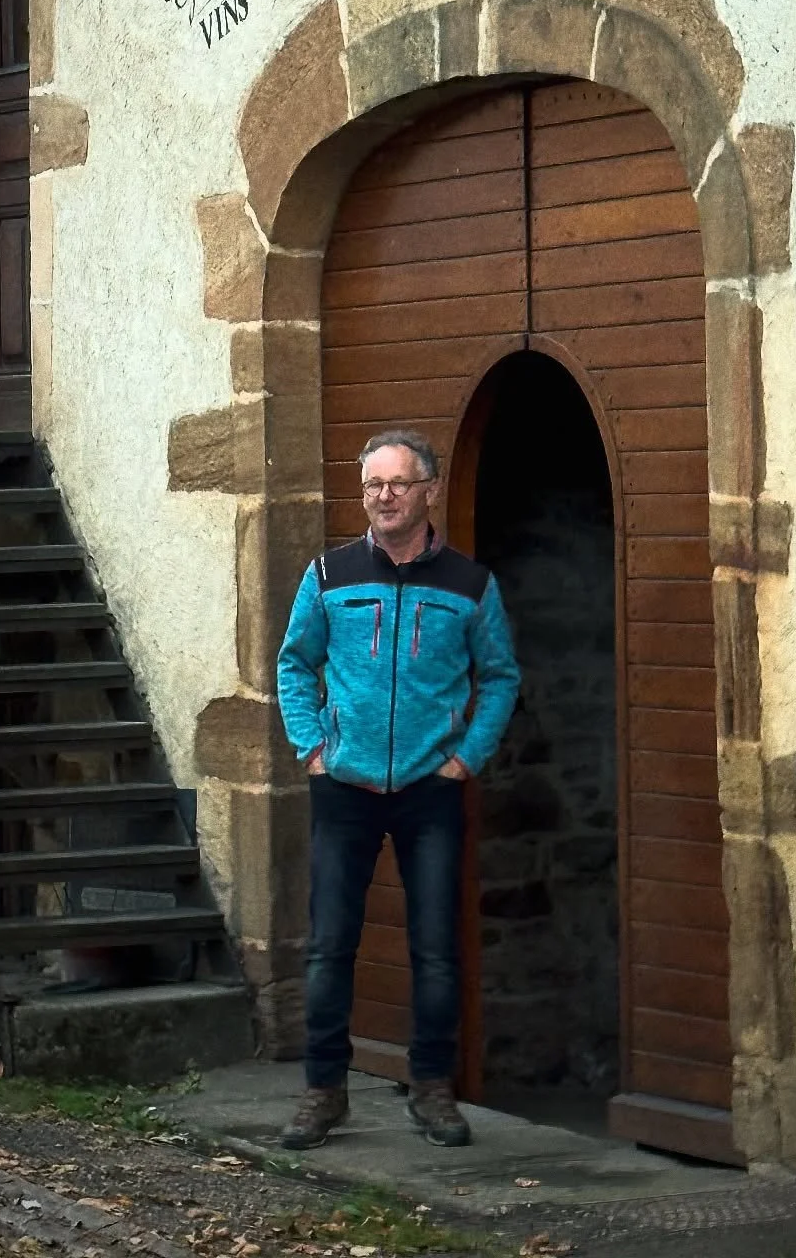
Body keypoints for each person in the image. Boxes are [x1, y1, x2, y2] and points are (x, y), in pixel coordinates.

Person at [276, 427, 520, 1151]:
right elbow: (295, 664)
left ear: (429, 491)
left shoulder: (471, 586)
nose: (384, 497)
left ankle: (433, 1091)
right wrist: (313, 747)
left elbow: (500, 677)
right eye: (373, 485)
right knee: (328, 948)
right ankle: (324, 1092)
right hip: (344, 785)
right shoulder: (329, 574)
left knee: (437, 949)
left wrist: (466, 757)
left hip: (429, 788)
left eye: (398, 484)